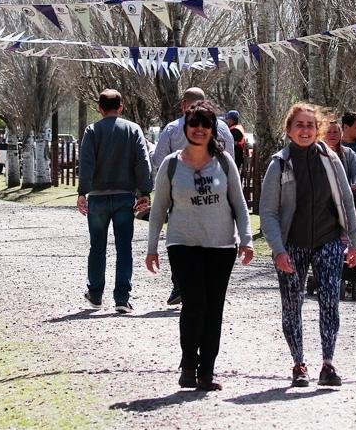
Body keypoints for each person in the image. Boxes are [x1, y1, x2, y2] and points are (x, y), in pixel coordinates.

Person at [146, 102, 254, 392]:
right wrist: (151, 247)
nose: (199, 129)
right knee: (194, 304)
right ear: (186, 126)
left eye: (205, 125)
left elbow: (240, 205)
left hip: (221, 246)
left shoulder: (224, 162)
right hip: (183, 244)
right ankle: (188, 365)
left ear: (212, 130)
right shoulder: (171, 164)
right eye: (194, 124)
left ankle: (207, 370)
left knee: (214, 307)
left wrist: (246, 239)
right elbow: (158, 210)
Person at [260, 103, 356, 388]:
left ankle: (328, 363)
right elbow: (267, 212)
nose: (305, 130)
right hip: (292, 244)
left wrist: (352, 242)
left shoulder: (331, 160)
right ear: (289, 130)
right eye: (299, 125)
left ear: (318, 130)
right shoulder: (278, 163)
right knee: (292, 305)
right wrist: (278, 250)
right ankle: (298, 363)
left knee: (330, 300)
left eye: (309, 125)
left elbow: (346, 201)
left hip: (327, 240)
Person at [152, 87, 235, 306]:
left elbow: (159, 160)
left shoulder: (172, 128)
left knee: (181, 236)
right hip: (216, 193)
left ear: (183, 104)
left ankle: (181, 283)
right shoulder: (224, 129)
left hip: (181, 193)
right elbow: (231, 162)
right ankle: (201, 284)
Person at [77, 89, 153, 314]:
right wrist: (144, 192)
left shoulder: (92, 130)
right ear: (120, 107)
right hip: (124, 196)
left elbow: (87, 164)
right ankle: (122, 298)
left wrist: (82, 192)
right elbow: (143, 162)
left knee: (97, 247)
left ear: (99, 108)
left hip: (98, 198)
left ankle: (96, 294)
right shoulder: (133, 129)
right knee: (124, 248)